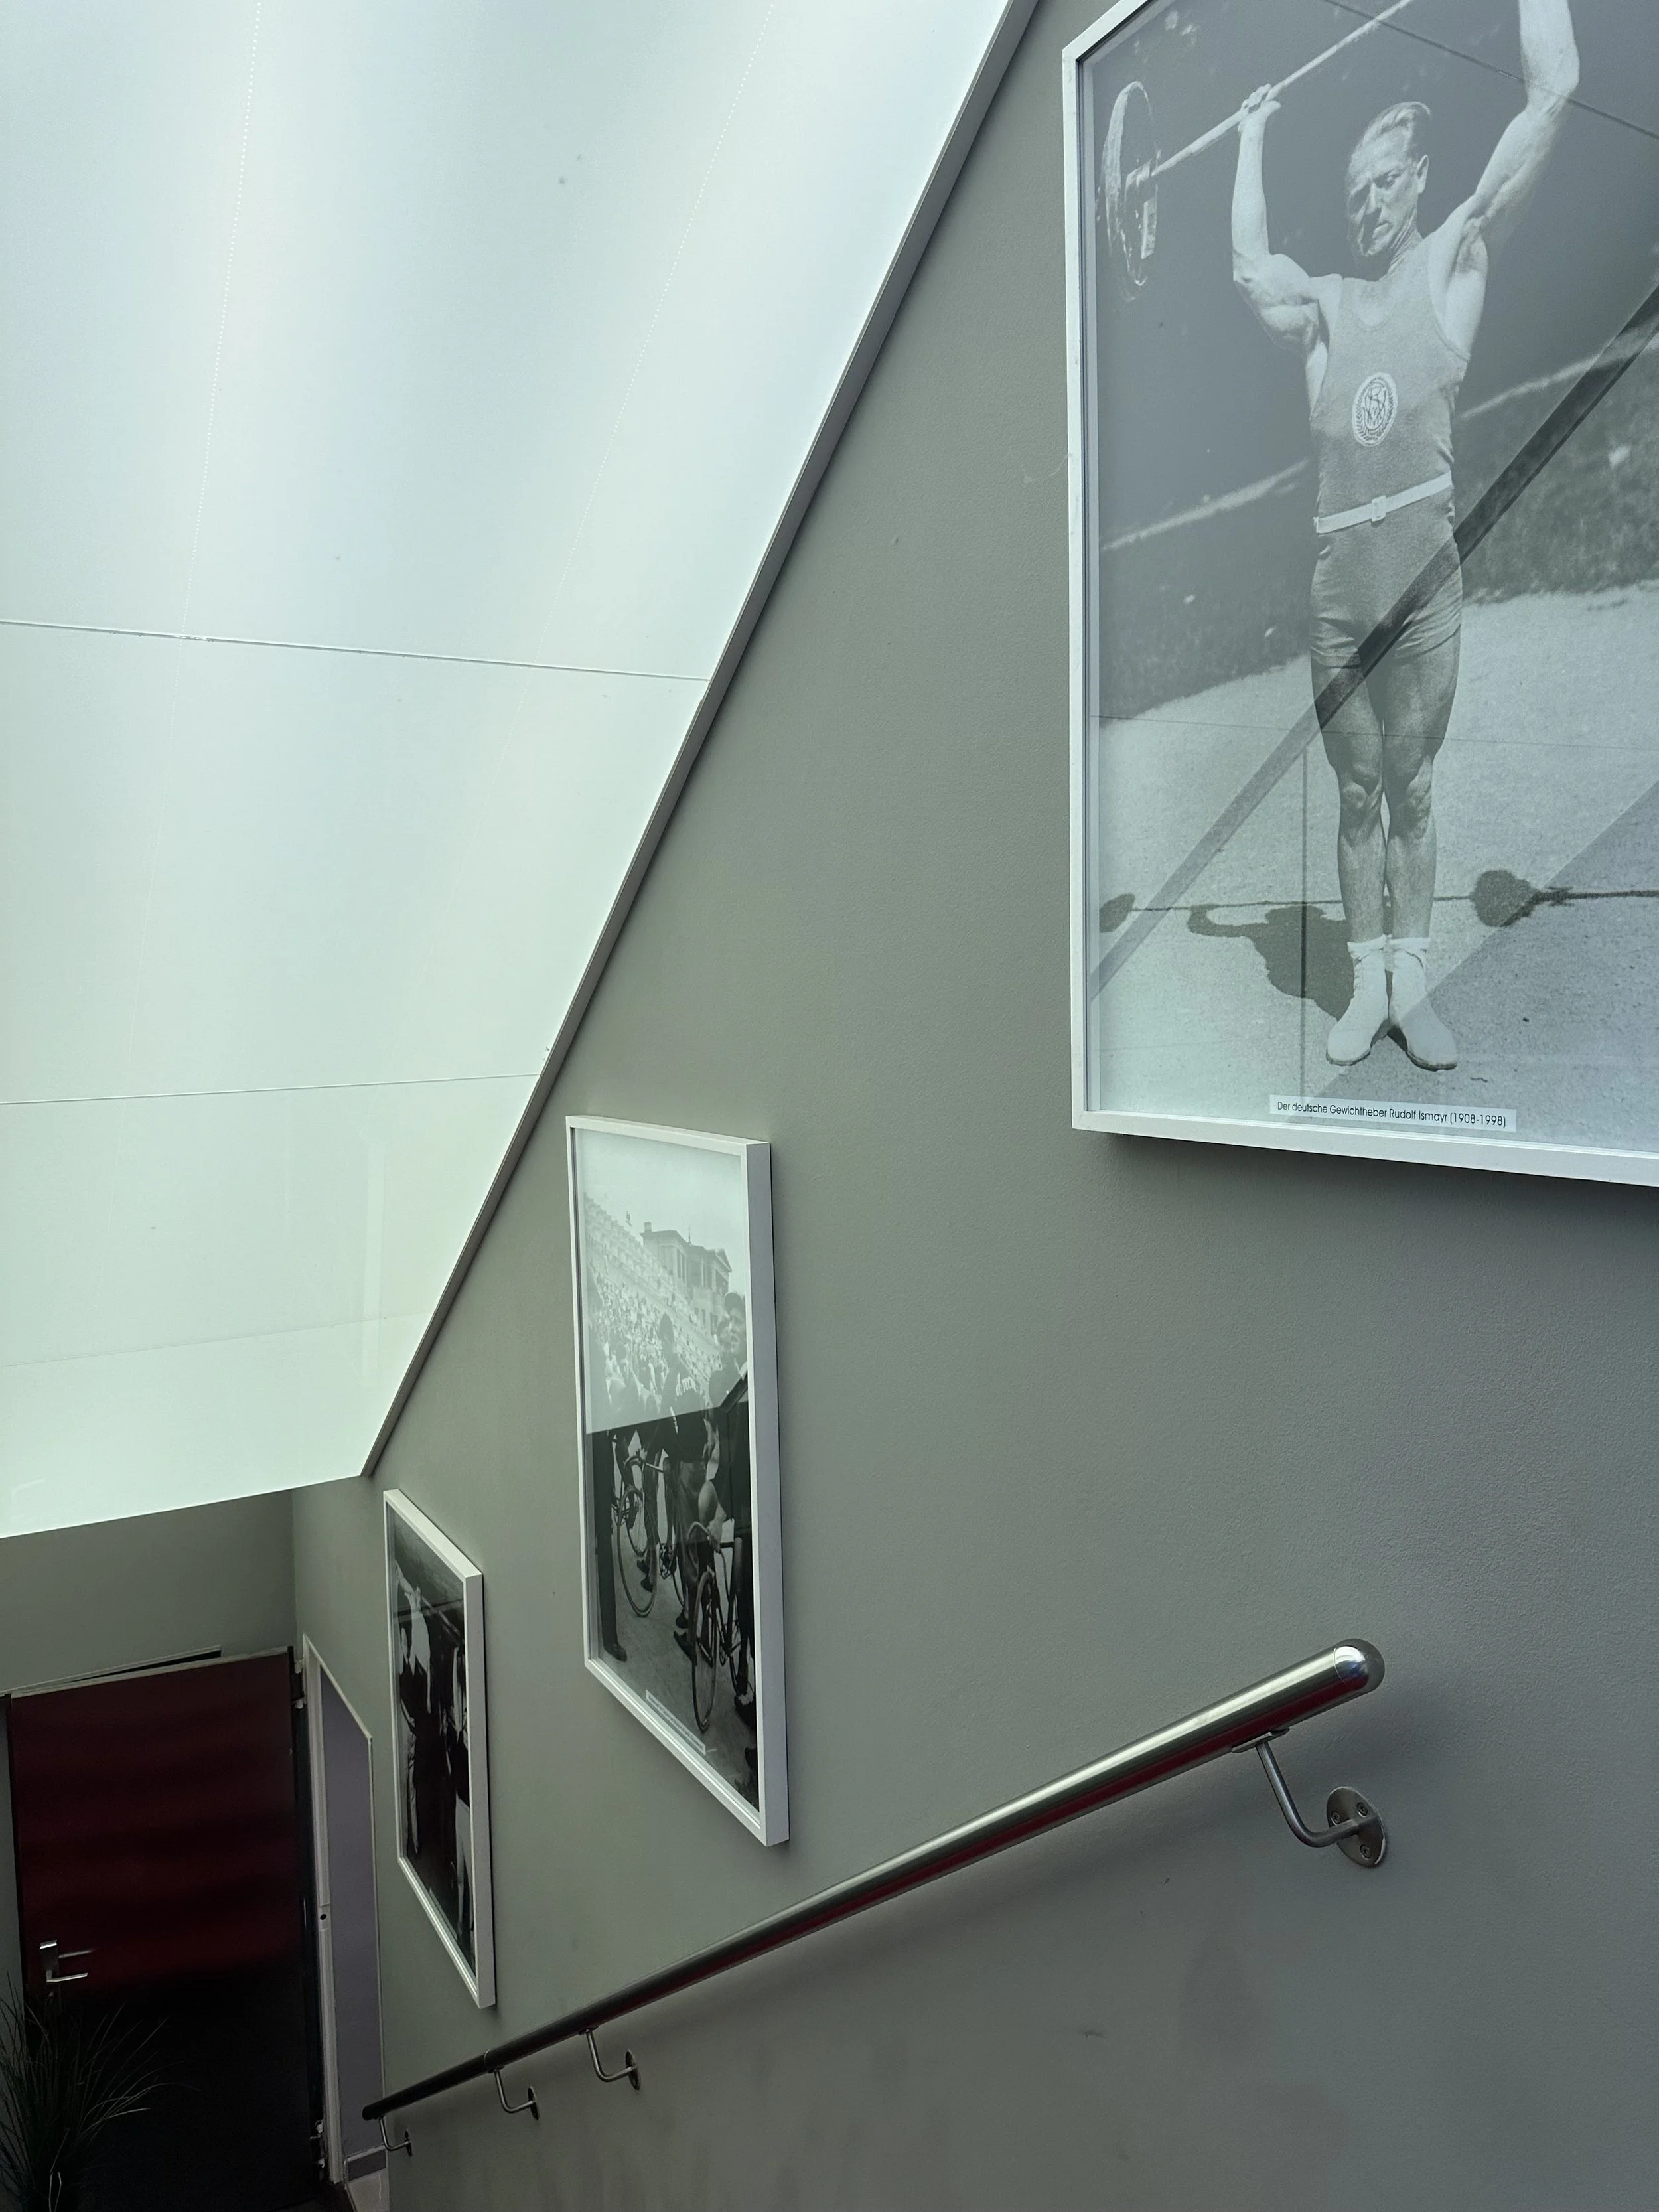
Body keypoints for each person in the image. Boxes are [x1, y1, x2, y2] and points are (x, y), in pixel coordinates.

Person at [1230, 0, 1578, 1068]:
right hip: (1342, 599)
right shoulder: (1326, 307)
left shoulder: (1454, 262)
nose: (1371, 205)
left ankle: (1413, 977)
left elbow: (1553, 90)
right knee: (1356, 792)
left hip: (1424, 590)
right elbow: (1252, 271)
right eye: (1354, 193)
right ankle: (1366, 975)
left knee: (1415, 788)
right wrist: (1247, 136)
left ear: (1421, 179)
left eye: (1387, 182)